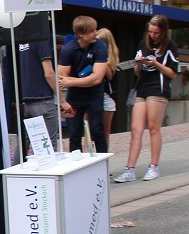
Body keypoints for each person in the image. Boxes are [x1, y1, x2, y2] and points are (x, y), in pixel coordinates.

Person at [115, 15, 179, 183]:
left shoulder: (170, 47)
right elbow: (137, 72)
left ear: (163, 32)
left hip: (158, 89)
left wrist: (155, 63)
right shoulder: (144, 44)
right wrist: (139, 63)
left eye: (156, 33)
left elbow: (172, 73)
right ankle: (130, 169)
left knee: (153, 127)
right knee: (135, 128)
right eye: (150, 32)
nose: (152, 35)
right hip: (142, 88)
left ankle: (154, 166)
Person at [58, 16, 109, 153]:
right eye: (92, 31)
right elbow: (62, 78)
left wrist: (72, 81)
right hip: (75, 96)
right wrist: (80, 81)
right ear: (81, 34)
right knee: (74, 133)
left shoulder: (100, 47)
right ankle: (76, 166)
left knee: (97, 130)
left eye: (95, 29)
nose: (96, 33)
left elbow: (97, 78)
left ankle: (103, 167)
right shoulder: (69, 49)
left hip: (95, 95)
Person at [17, 39, 71, 151]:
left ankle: (14, 168)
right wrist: (62, 101)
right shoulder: (42, 40)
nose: (49, 19)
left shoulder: (21, 42)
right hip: (43, 100)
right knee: (48, 148)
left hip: (25, 101)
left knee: (23, 147)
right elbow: (49, 73)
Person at [97, 28, 120, 141]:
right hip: (92, 95)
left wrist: (102, 58)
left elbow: (110, 76)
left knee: (105, 131)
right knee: (90, 130)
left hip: (107, 95)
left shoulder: (110, 58)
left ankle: (104, 155)